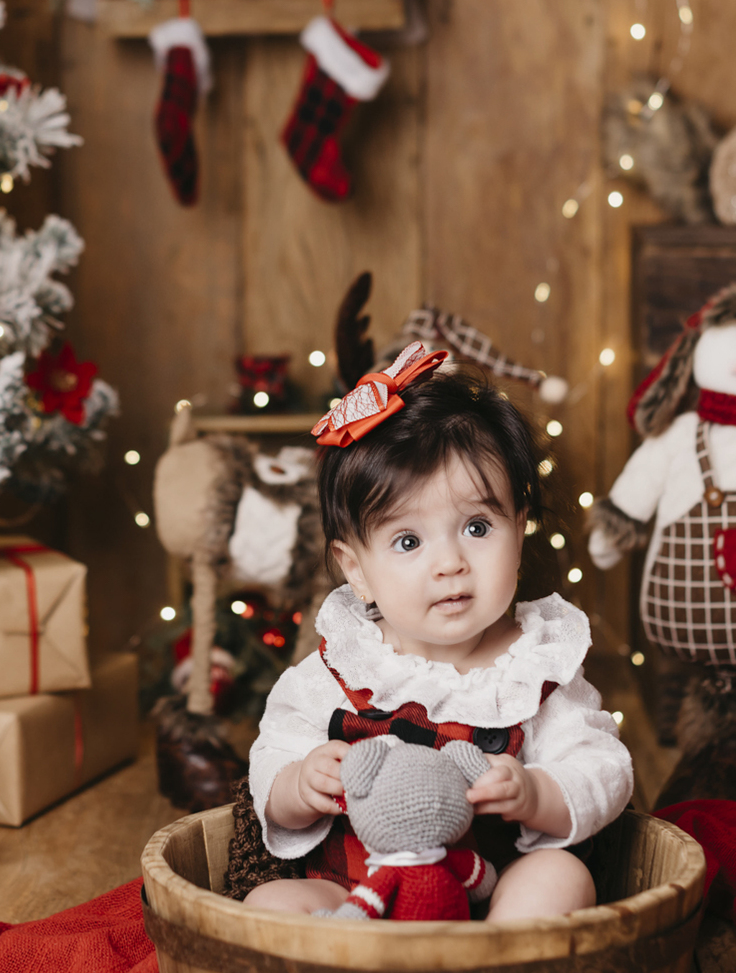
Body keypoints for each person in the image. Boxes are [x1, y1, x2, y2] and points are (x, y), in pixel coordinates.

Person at [243, 343, 634, 922]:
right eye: (408, 541)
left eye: (477, 526)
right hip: (359, 894)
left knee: (560, 876)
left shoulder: (535, 670)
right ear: (357, 570)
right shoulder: (340, 669)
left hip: (485, 895)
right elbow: (271, 751)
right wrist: (297, 784)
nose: (449, 563)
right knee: (269, 904)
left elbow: (602, 768)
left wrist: (539, 793)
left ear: (519, 531)